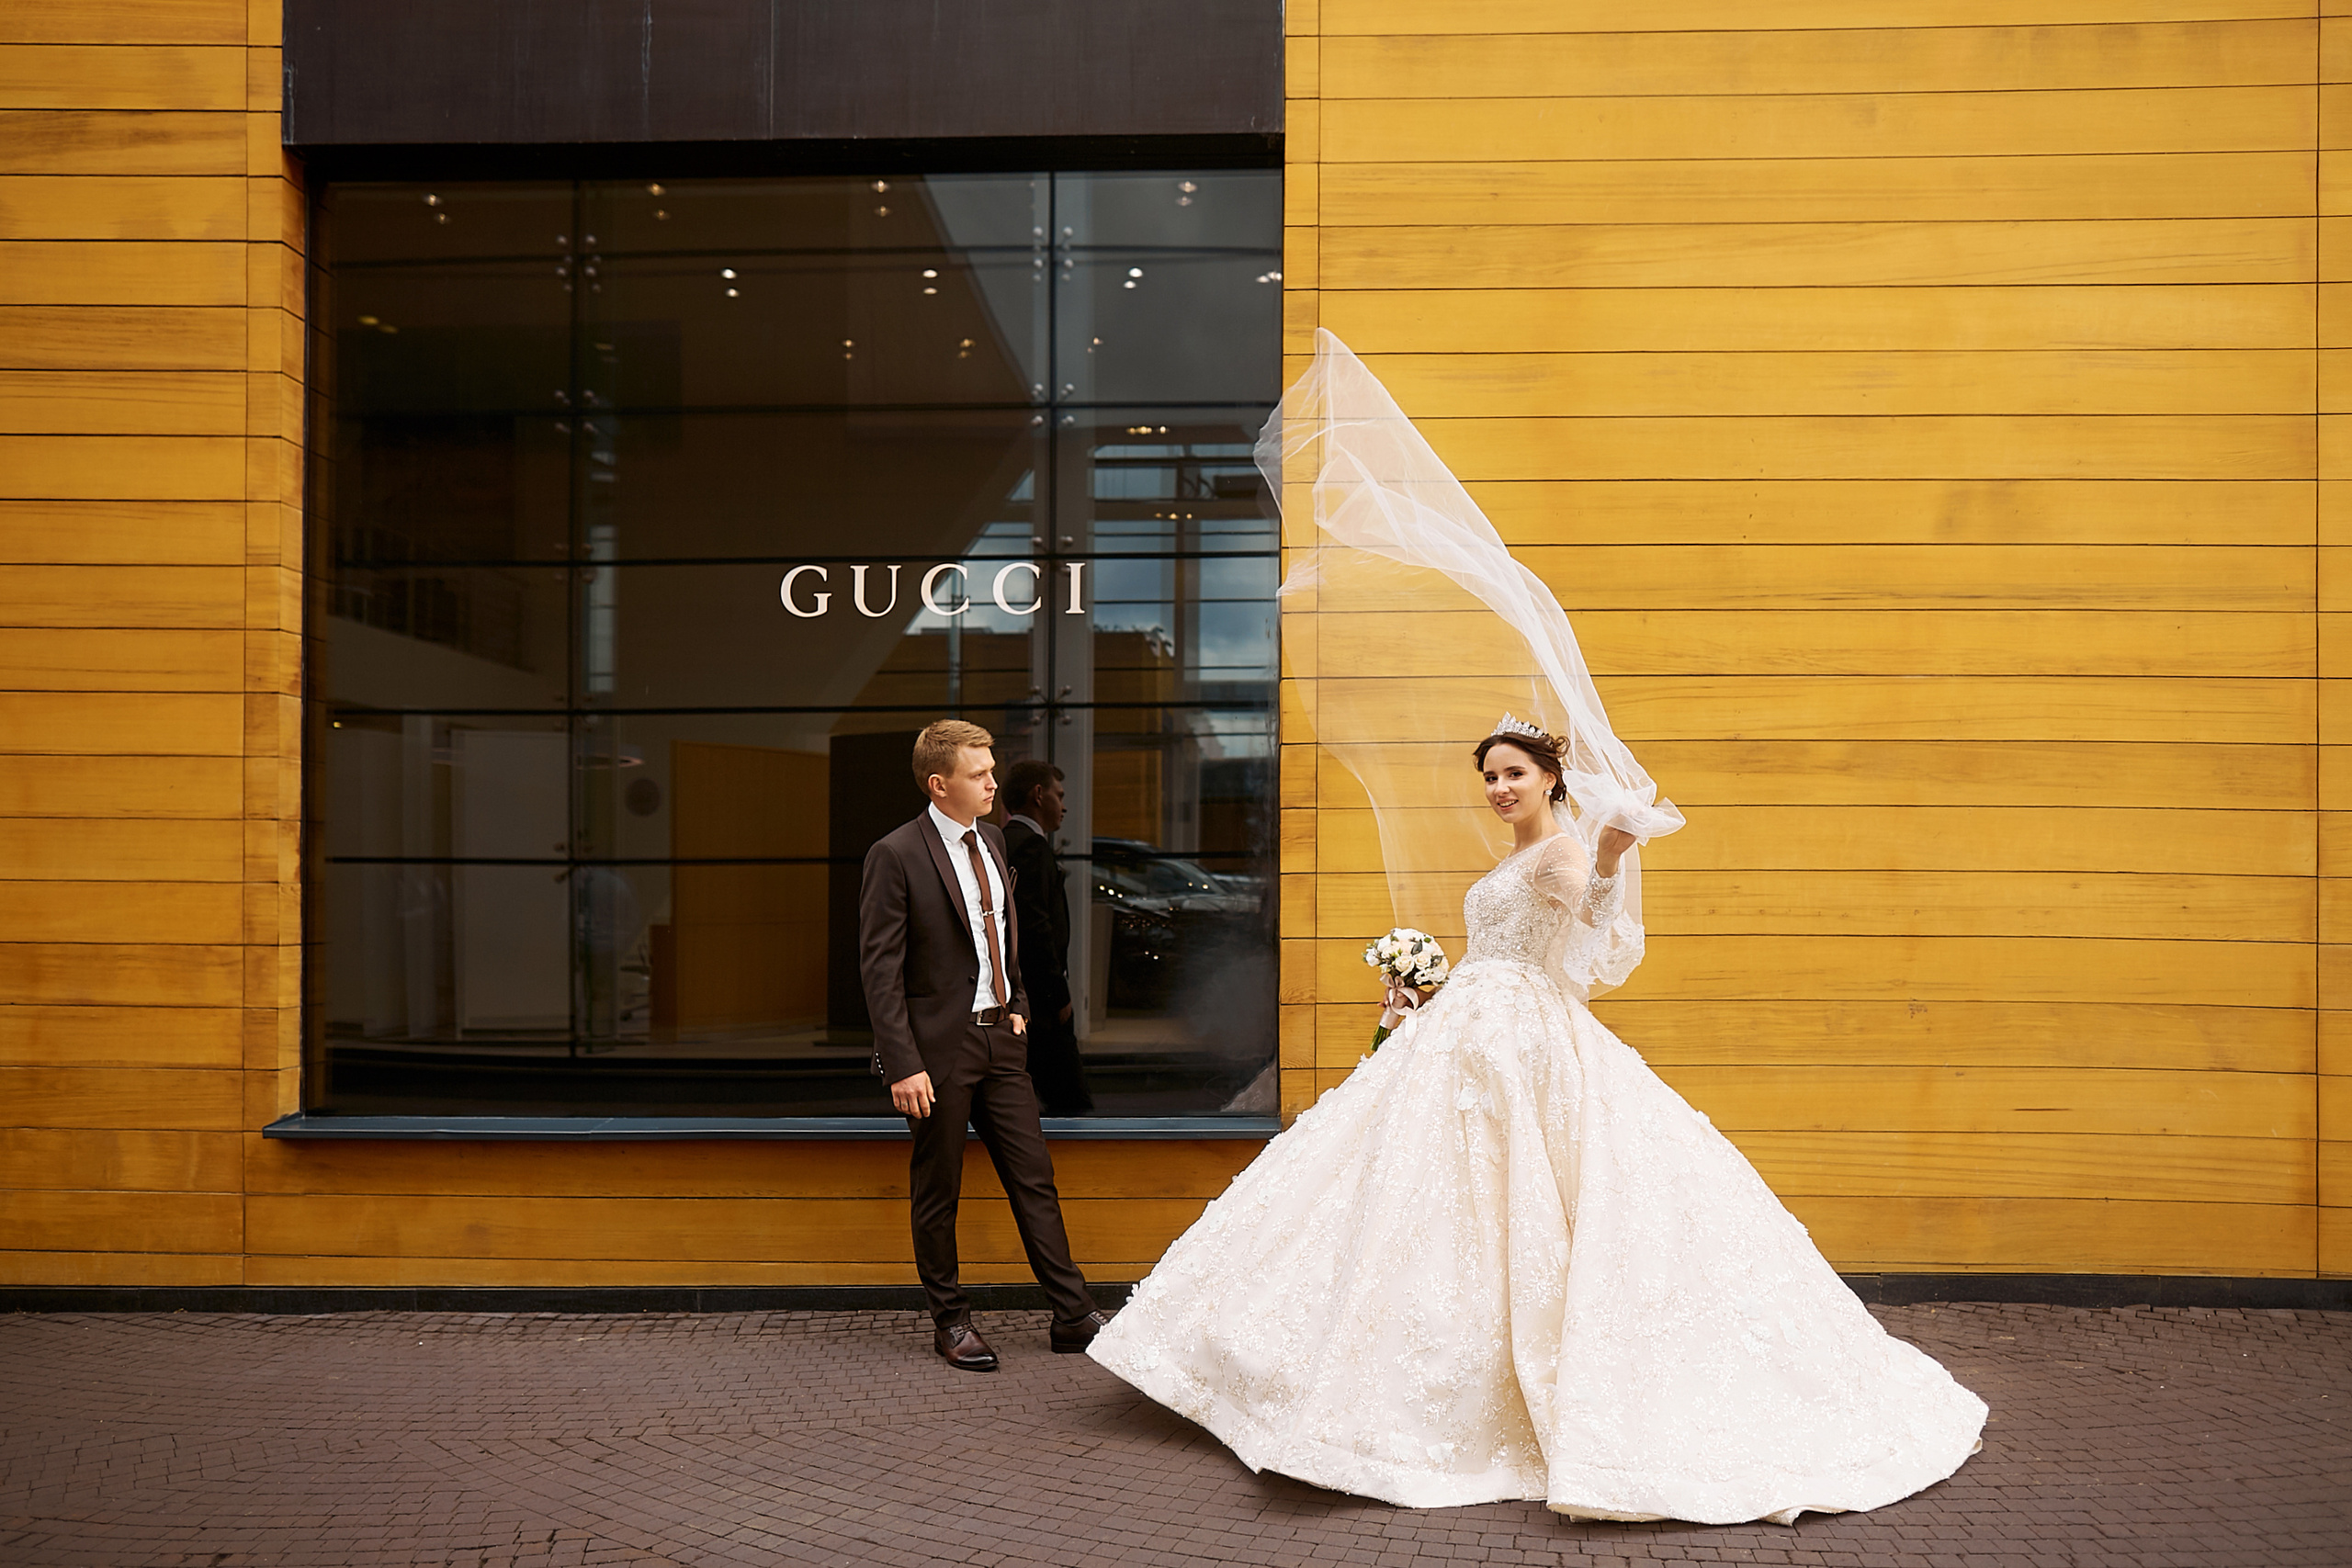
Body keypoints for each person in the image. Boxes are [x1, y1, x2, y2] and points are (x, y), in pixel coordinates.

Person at [1084, 333, 1985, 1524]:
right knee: (1403, 1202)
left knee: (1521, 1210)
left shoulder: (1566, 846)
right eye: (1491, 774)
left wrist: (1610, 850)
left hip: (1531, 1043)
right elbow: (1512, 938)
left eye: (1512, 770)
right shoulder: (1518, 852)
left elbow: (1591, 940)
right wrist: (1427, 988)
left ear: (1550, 774)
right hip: (1470, 1024)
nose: (1499, 785)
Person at [858, 719, 1109, 1371]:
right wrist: (902, 1063)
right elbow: (879, 969)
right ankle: (952, 1320)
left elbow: (1006, 932)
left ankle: (1073, 1313)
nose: (994, 781)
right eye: (979, 773)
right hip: (935, 1056)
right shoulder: (896, 853)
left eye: (992, 769)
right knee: (938, 1189)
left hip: (1002, 1040)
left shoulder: (995, 840)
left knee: (1035, 1179)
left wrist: (1020, 1005)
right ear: (940, 785)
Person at [999, 760, 1094, 1115]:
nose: (1064, 805)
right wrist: (1058, 996)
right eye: (1059, 795)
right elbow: (1036, 929)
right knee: (1072, 1103)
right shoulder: (1030, 848)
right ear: (1038, 795)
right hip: (1038, 999)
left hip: (1017, 994)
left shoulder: (1003, 842)